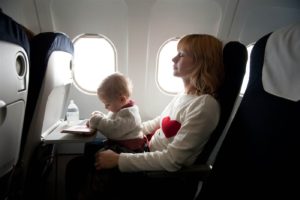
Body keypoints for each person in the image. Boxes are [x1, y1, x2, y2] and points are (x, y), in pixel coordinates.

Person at [65, 34, 224, 200]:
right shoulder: (184, 96)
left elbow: (172, 160)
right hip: (145, 150)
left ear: (201, 62)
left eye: (181, 54)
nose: (173, 59)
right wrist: (127, 132)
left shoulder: (205, 106)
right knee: (84, 157)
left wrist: (119, 160)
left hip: (156, 176)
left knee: (77, 168)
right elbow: (157, 124)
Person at [86, 72, 146, 153]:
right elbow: (112, 121)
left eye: (107, 104)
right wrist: (100, 116)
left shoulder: (130, 115)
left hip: (129, 149)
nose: (105, 107)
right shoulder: (119, 108)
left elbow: (114, 130)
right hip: (119, 143)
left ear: (122, 99)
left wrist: (97, 121)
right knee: (89, 146)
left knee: (99, 153)